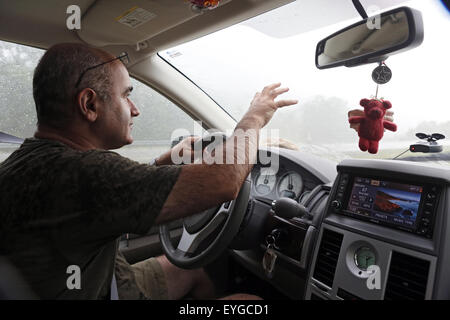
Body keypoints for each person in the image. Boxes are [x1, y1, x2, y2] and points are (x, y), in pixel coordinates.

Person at [0, 43, 298, 299]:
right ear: (89, 104)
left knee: (191, 267)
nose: (135, 109)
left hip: (104, 283)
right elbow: (223, 181)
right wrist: (254, 119)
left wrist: (160, 163)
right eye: (126, 95)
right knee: (249, 302)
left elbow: (109, 195)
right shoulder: (86, 172)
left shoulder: (27, 163)